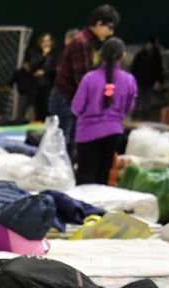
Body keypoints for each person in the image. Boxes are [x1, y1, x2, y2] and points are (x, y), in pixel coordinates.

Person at [51, 5, 120, 153]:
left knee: (69, 143)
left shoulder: (88, 42)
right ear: (99, 24)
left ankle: (65, 172)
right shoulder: (82, 42)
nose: (111, 33)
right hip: (65, 98)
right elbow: (82, 79)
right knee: (62, 143)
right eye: (110, 28)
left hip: (69, 98)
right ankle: (60, 174)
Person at [72, 37, 136, 185]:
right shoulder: (129, 80)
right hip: (114, 133)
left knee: (85, 176)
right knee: (103, 175)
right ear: (123, 55)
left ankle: (84, 207)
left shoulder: (89, 78)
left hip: (87, 134)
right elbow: (128, 108)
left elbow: (76, 107)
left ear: (101, 55)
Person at [130, 37, 163, 120]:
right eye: (147, 44)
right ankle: (135, 114)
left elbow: (159, 69)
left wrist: (159, 81)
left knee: (147, 100)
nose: (148, 46)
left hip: (149, 81)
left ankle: (145, 115)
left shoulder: (156, 56)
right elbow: (134, 68)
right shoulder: (140, 55)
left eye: (150, 44)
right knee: (137, 98)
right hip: (139, 80)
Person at [28, 33, 58, 121]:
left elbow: (56, 68)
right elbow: (31, 66)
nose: (46, 43)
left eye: (48, 41)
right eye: (43, 41)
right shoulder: (35, 53)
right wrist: (43, 56)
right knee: (38, 111)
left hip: (50, 87)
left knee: (48, 110)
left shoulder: (56, 55)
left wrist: (44, 72)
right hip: (36, 88)